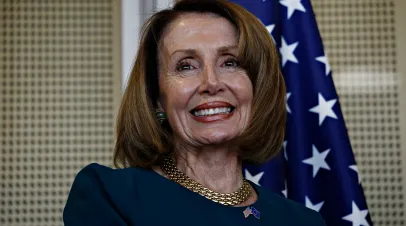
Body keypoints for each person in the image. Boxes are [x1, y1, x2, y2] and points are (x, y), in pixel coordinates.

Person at [63, 0, 326, 225]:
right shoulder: (109, 195)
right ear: (156, 99)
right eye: (186, 66)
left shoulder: (303, 221)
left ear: (258, 88)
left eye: (230, 62)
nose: (211, 83)